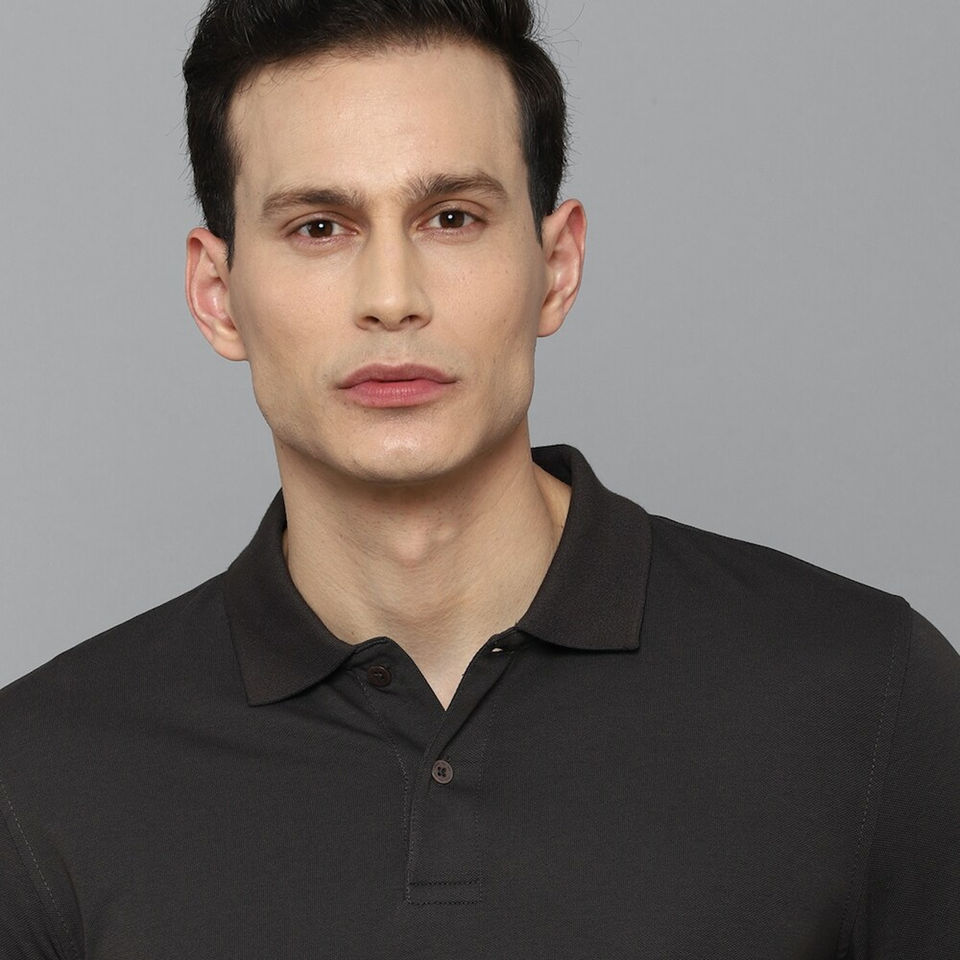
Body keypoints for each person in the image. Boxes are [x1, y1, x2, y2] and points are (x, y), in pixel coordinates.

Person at [1, 0, 957, 956]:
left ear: (556, 266)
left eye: (451, 218)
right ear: (218, 297)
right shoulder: (38, 775)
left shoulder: (870, 697)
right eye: (319, 226)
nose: (391, 299)